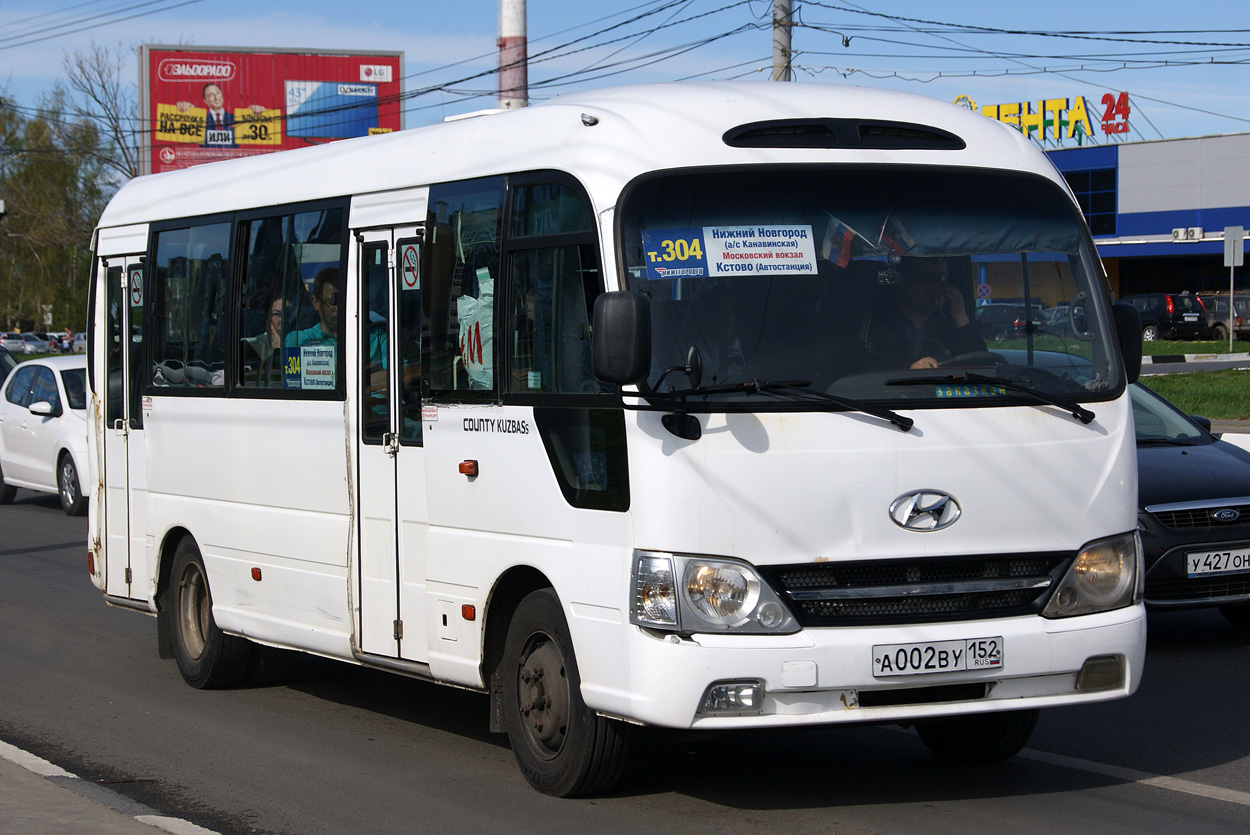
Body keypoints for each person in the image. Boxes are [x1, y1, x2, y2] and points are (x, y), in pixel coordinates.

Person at [858, 256, 985, 370]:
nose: (935, 285)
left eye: (941, 278)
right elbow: (859, 371)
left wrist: (962, 319)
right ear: (903, 280)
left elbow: (984, 371)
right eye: (925, 277)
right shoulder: (876, 322)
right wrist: (908, 370)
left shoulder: (952, 328)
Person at [286, 268, 339, 347]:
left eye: (344, 304)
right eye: (332, 303)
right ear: (316, 303)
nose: (338, 309)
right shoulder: (298, 340)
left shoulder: (361, 338)